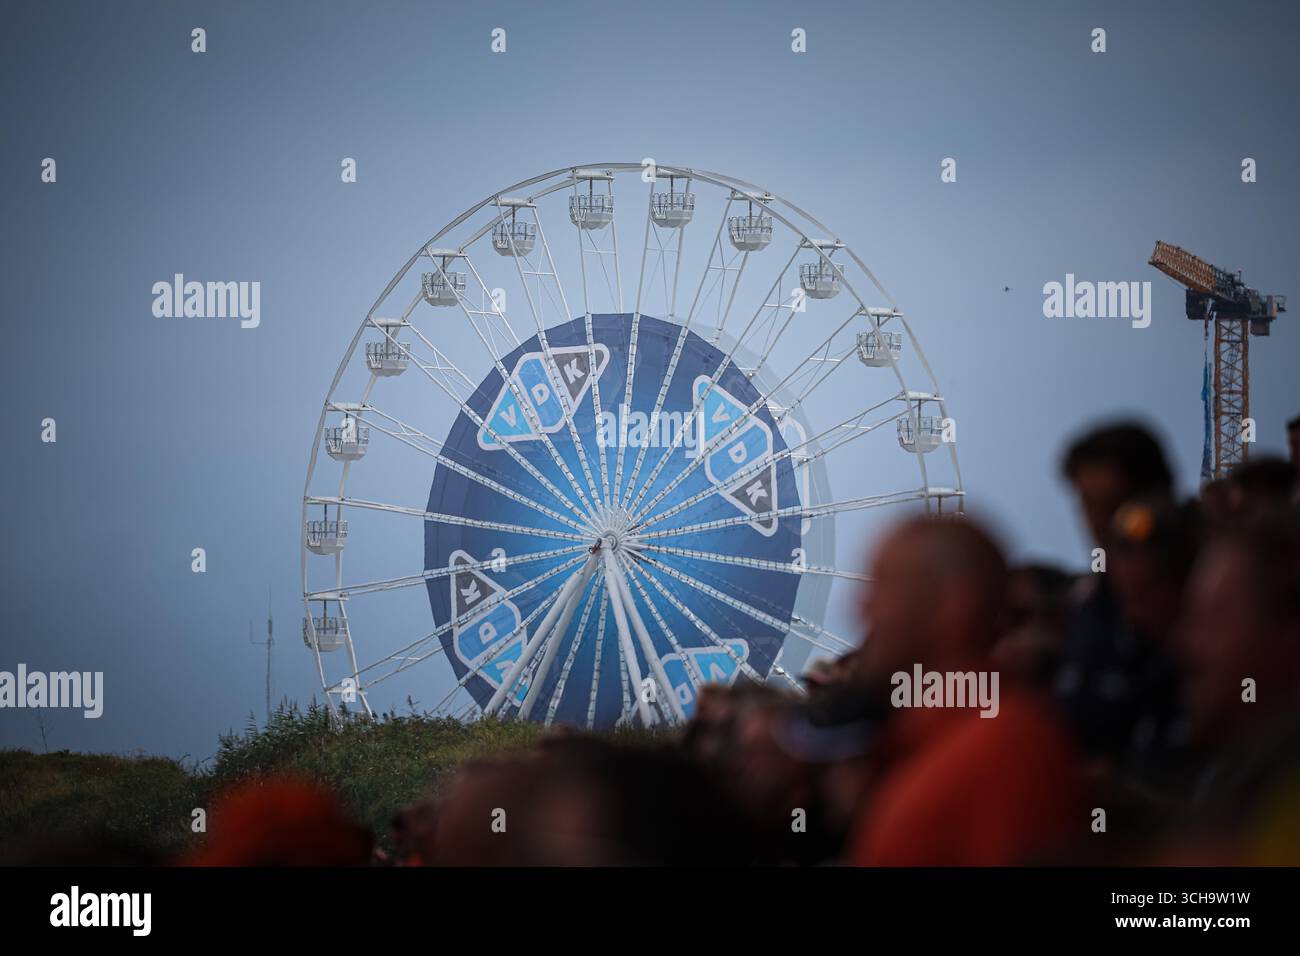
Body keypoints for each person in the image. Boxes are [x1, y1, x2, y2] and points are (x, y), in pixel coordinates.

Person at [848, 516, 1084, 866]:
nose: (861, 609)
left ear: (954, 604)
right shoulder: (915, 747)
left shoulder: (1008, 750)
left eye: (883, 586)